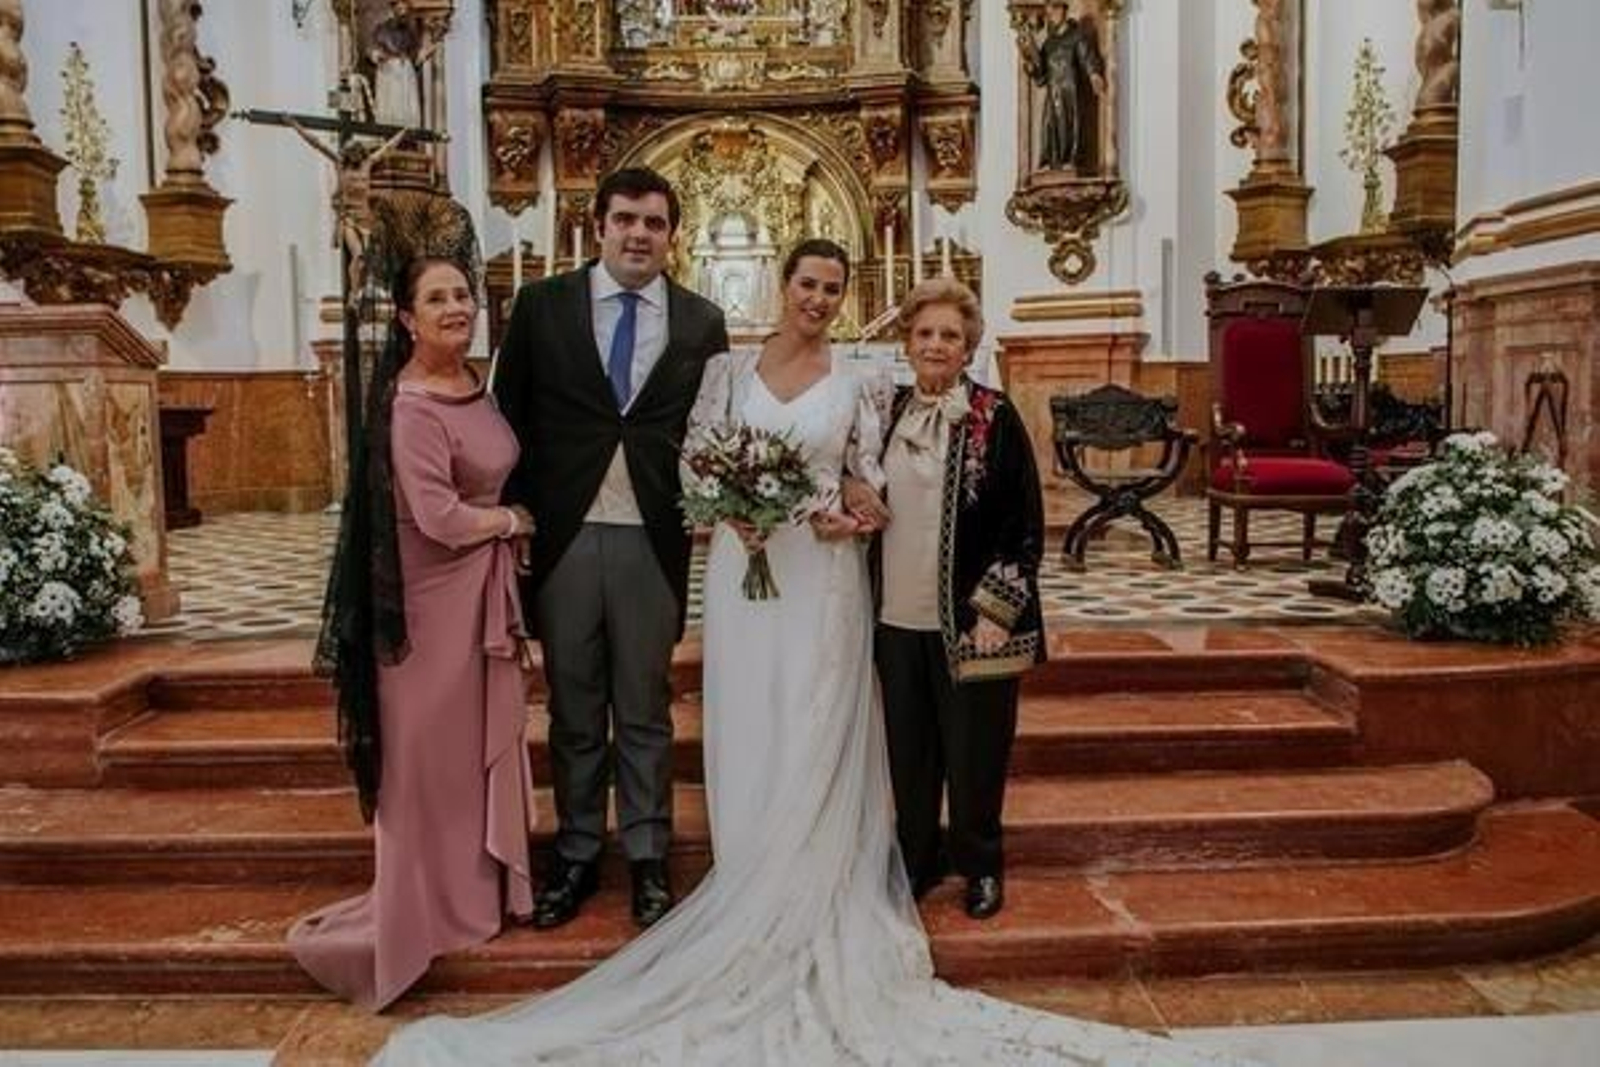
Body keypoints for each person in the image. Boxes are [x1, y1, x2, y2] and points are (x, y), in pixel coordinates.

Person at [372, 240, 1257, 1066]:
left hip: (825, 577)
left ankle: (824, 863)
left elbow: (867, 483)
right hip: (745, 573)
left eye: (834, 290)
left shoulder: (867, 385)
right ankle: (752, 861)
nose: (819, 299)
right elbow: (690, 468)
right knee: (752, 711)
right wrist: (730, 510)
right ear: (785, 286)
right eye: (808, 285)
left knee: (819, 710)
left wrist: (851, 512)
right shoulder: (726, 369)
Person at [290, 199, 536, 1012]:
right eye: (437, 299)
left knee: (467, 760)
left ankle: (472, 898)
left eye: (463, 296)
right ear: (404, 316)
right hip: (428, 612)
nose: (456, 308)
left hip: (476, 600)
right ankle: (417, 910)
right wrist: (510, 519)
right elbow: (435, 515)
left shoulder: (471, 381)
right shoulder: (411, 403)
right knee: (425, 768)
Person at [494, 166, 730, 931]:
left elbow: (714, 428)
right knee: (571, 706)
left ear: (671, 235)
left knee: (645, 706)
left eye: (654, 223)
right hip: (563, 531)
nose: (638, 234)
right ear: (596, 225)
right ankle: (576, 851)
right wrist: (514, 517)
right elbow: (510, 416)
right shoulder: (541, 305)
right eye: (625, 218)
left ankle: (650, 854)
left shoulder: (701, 321)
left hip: (652, 536)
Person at [860, 277, 1046, 922]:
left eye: (951, 336)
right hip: (894, 617)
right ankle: (918, 855)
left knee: (976, 752)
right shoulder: (883, 413)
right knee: (909, 752)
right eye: (925, 333)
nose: (937, 345)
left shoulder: (997, 416)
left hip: (972, 624)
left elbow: (1024, 526)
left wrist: (998, 612)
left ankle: (980, 863)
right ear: (905, 342)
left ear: (969, 349)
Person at [1024, 1, 1107, 170]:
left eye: (1056, 8)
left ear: (1064, 10)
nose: (1053, 13)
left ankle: (1071, 159)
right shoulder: (1049, 43)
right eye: (1050, 10)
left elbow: (1086, 56)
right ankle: (1051, 161)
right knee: (1050, 126)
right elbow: (1041, 77)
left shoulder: (1076, 35)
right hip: (1053, 91)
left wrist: (1093, 74)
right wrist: (1031, 65)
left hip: (1070, 90)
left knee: (1069, 124)